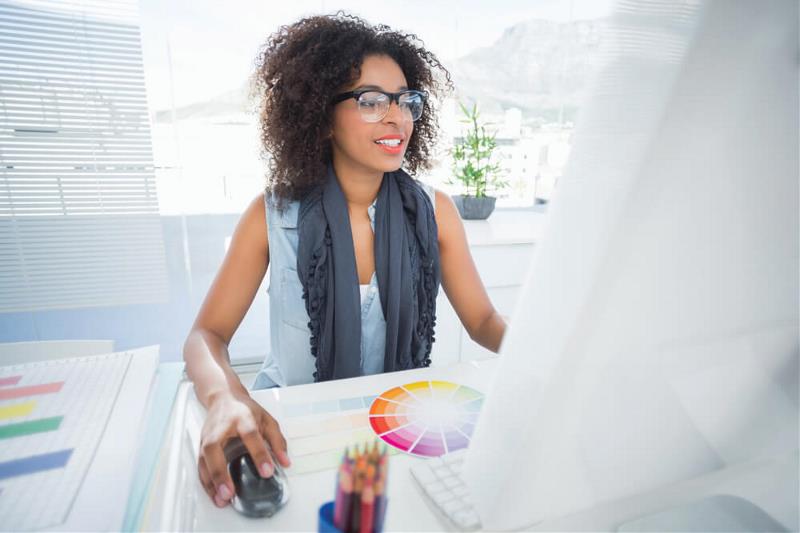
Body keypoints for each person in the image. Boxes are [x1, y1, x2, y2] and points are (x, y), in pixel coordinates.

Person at [183, 12, 507, 509]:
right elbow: (206, 336)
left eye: (406, 101)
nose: (397, 117)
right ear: (321, 117)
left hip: (398, 428)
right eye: (371, 101)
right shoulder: (269, 215)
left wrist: (551, 350)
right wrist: (225, 398)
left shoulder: (435, 212)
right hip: (293, 430)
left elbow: (483, 321)